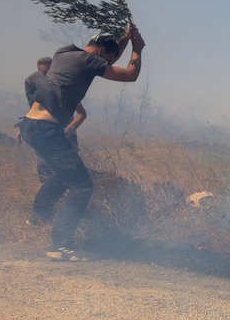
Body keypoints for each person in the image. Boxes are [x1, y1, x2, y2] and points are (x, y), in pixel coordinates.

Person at [18, 25, 145, 261]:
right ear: (98, 51)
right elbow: (130, 75)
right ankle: (60, 246)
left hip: (30, 125)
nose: (108, 63)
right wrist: (137, 50)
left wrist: (125, 38)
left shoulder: (64, 54)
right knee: (82, 185)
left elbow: (110, 52)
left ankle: (39, 217)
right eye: (107, 59)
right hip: (47, 130)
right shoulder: (90, 60)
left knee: (63, 174)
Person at [18, 57, 87, 185]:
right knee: (44, 163)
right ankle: (48, 193)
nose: (43, 76)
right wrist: (24, 125)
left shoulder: (64, 87)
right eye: (41, 73)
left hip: (63, 132)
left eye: (47, 72)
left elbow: (81, 113)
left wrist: (69, 130)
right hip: (43, 132)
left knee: (70, 167)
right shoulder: (38, 89)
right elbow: (34, 111)